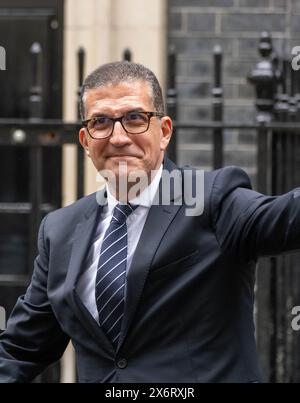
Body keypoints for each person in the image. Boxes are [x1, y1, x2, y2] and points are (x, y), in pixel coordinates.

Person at [0, 61, 300, 384]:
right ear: (86, 141)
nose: (118, 137)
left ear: (164, 132)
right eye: (100, 122)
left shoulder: (211, 198)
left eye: (134, 118)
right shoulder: (59, 231)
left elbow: (283, 218)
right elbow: (21, 350)